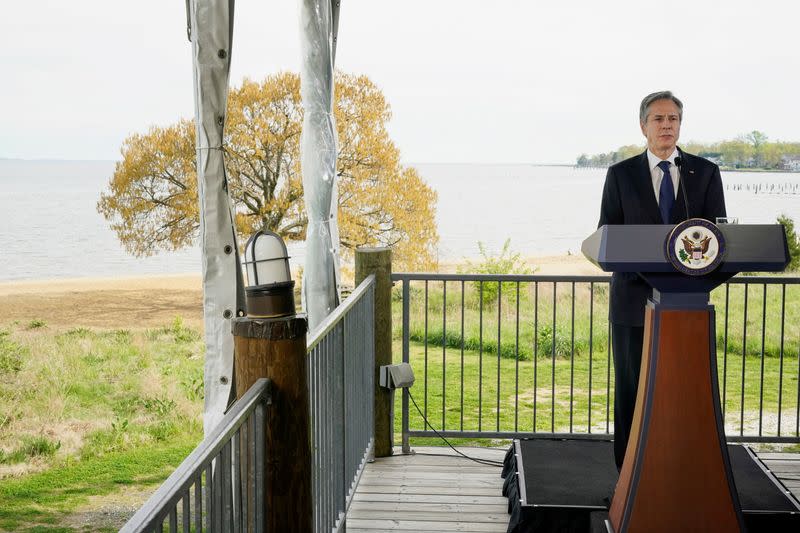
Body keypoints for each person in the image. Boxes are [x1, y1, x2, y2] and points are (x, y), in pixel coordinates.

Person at [597, 90, 727, 470]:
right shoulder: (620, 175)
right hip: (632, 305)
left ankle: (679, 475)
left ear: (680, 125)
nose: (666, 125)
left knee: (683, 395)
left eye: (673, 119)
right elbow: (607, 235)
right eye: (658, 119)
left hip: (687, 307)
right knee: (631, 395)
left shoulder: (704, 173)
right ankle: (628, 480)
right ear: (643, 126)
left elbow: (718, 240)